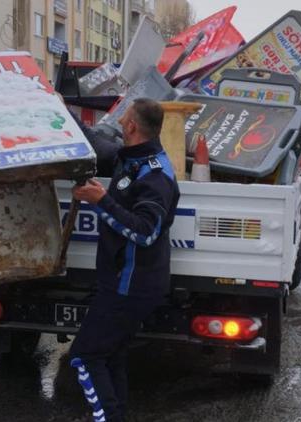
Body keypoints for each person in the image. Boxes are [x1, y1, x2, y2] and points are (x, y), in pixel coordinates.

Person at [69, 98, 180, 422]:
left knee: (85, 357)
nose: (119, 122)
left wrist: (101, 200)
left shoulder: (155, 175)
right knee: (110, 355)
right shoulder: (130, 158)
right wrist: (63, 112)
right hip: (117, 281)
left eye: (124, 117)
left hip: (132, 286)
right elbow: (97, 144)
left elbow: (146, 232)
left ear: (132, 125)